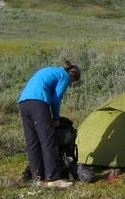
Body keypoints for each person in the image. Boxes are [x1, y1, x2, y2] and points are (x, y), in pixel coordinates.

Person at [18, 60, 81, 188]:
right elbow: (56, 98)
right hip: (39, 103)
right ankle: (52, 178)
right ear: (73, 75)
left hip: (24, 102)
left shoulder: (52, 70)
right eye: (73, 82)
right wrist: (56, 118)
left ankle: (37, 177)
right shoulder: (64, 75)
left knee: (33, 142)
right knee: (48, 140)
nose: (70, 84)